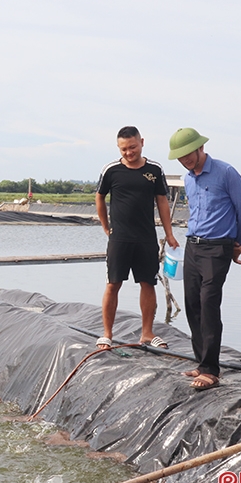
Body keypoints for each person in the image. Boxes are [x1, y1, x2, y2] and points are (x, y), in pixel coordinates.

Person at [168, 128, 241, 390]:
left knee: (209, 302)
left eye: (187, 154)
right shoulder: (188, 179)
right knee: (192, 302)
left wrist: (237, 243)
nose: (185, 160)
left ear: (200, 148)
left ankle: (211, 370)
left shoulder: (226, 173)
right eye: (180, 157)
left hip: (218, 248)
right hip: (193, 246)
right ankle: (201, 363)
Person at [96, 126, 179, 351]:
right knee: (113, 284)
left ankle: (147, 333)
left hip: (146, 237)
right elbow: (100, 198)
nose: (129, 152)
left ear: (141, 142)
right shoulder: (111, 170)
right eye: (124, 149)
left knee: (148, 283)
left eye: (132, 147)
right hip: (119, 238)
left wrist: (168, 233)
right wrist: (106, 227)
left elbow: (162, 201)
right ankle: (107, 334)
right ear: (118, 148)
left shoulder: (154, 169)